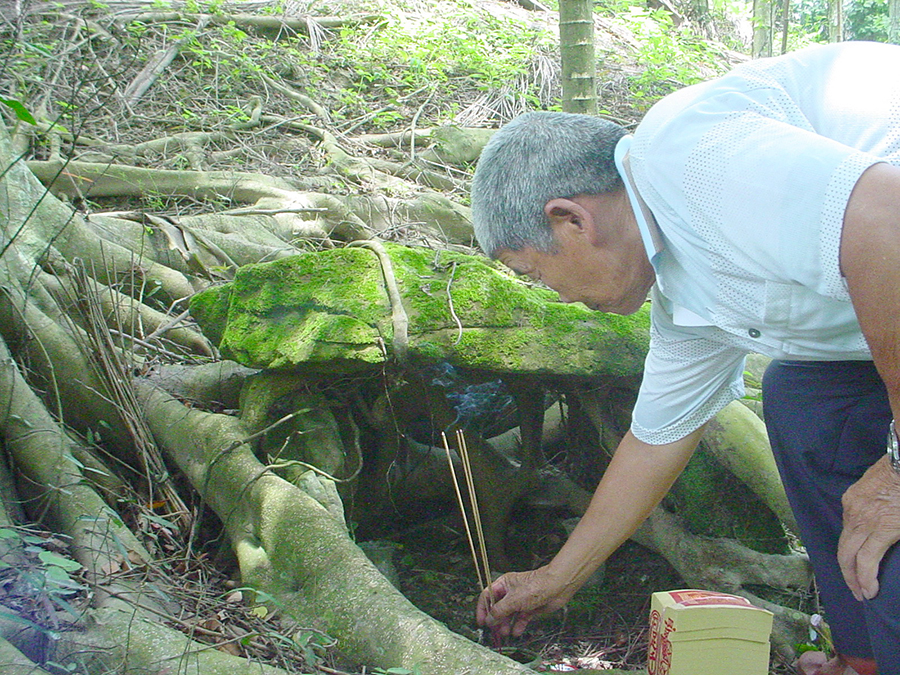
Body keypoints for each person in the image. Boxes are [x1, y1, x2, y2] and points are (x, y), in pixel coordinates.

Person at [469, 40, 900, 675]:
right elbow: (656, 440)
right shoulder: (683, 287)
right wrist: (556, 580)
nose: (553, 295)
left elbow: (887, 218)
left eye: (536, 273)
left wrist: (897, 466)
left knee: (893, 561)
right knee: (800, 397)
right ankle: (864, 658)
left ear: (570, 221)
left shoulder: (688, 157)